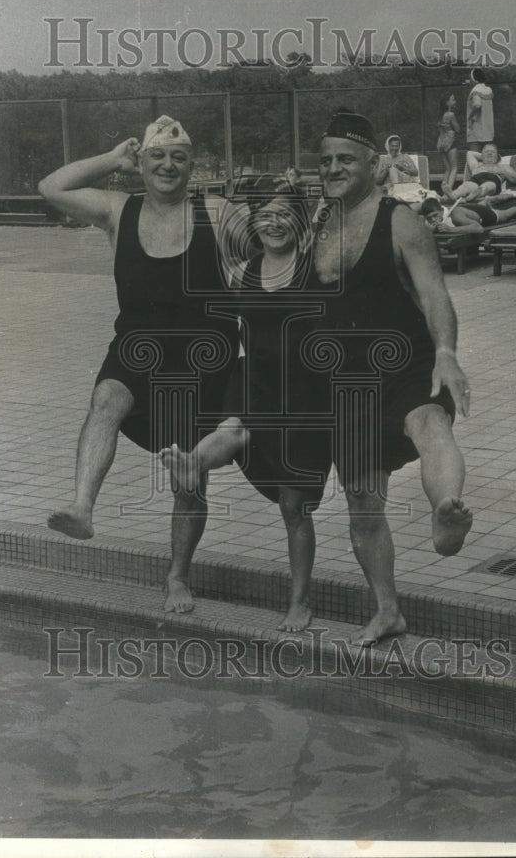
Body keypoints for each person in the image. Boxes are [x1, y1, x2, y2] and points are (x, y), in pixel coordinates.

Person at [38, 116, 244, 614]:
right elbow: (51, 187)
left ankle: (177, 577)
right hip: (137, 347)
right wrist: (112, 159)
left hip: (202, 360)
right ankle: (83, 508)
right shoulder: (117, 210)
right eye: (156, 156)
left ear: (192, 165)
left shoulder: (216, 212)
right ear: (142, 164)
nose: (167, 165)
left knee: (187, 480)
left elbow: (275, 252)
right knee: (106, 399)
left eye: (178, 157)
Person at [310, 111, 473, 645]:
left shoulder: (400, 221)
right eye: (326, 160)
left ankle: (446, 510)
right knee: (362, 500)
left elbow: (433, 295)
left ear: (374, 166)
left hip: (405, 361)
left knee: (429, 425)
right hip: (346, 380)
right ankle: (388, 610)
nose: (333, 168)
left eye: (346, 160)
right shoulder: (319, 222)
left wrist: (446, 352)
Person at [161, 177, 332, 633]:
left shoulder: (319, 267)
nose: (273, 223)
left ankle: (300, 601)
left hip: (306, 400)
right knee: (232, 429)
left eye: (283, 213)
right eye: (264, 214)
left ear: (299, 219)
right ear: (253, 220)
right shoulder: (243, 272)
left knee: (294, 508)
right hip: (254, 383)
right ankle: (192, 462)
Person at [452, 142, 516, 208]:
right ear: (481, 156)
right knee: (466, 186)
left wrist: (502, 171)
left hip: (493, 180)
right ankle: (453, 195)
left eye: (492, 152)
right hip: (475, 179)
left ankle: (471, 196)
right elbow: (469, 153)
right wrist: (483, 157)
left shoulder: (503, 167)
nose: (489, 153)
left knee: (487, 186)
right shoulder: (476, 166)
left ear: (497, 156)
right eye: (486, 152)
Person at [376, 135, 428, 210]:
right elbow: (378, 181)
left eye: (396, 146)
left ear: (399, 147)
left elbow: (415, 172)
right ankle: (399, 198)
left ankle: (400, 198)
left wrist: (402, 167)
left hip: (405, 185)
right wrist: (386, 170)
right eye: (392, 146)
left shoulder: (405, 157)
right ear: (388, 146)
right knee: (392, 169)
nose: (394, 148)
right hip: (390, 188)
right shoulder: (383, 159)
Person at [436, 94, 461, 197]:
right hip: (450, 142)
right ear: (447, 103)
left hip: (441, 143)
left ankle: (443, 191)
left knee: (448, 168)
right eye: (453, 100)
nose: (455, 101)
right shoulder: (450, 115)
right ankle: (448, 191)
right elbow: (458, 129)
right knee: (455, 168)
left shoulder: (440, 116)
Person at [465, 68, 494, 152]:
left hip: (476, 127)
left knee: (475, 155)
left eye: (470, 78)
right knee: (486, 156)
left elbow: (477, 105)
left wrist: (470, 118)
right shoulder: (488, 90)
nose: (469, 80)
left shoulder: (475, 90)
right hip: (487, 128)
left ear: (474, 79)